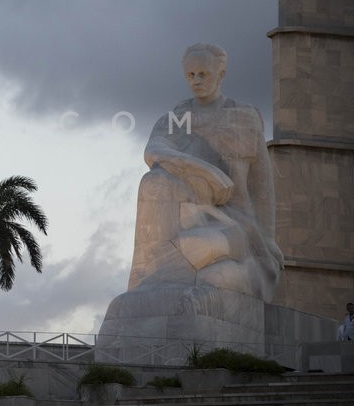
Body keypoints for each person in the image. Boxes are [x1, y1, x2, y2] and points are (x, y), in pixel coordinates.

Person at [99, 44, 284, 343]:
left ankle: (179, 281)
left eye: (203, 74)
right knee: (153, 182)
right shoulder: (178, 117)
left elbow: (263, 190)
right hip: (192, 214)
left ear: (220, 74)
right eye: (190, 75)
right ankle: (150, 281)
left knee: (206, 267)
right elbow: (154, 149)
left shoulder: (245, 117)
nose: (196, 80)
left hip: (238, 226)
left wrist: (270, 242)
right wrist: (198, 167)